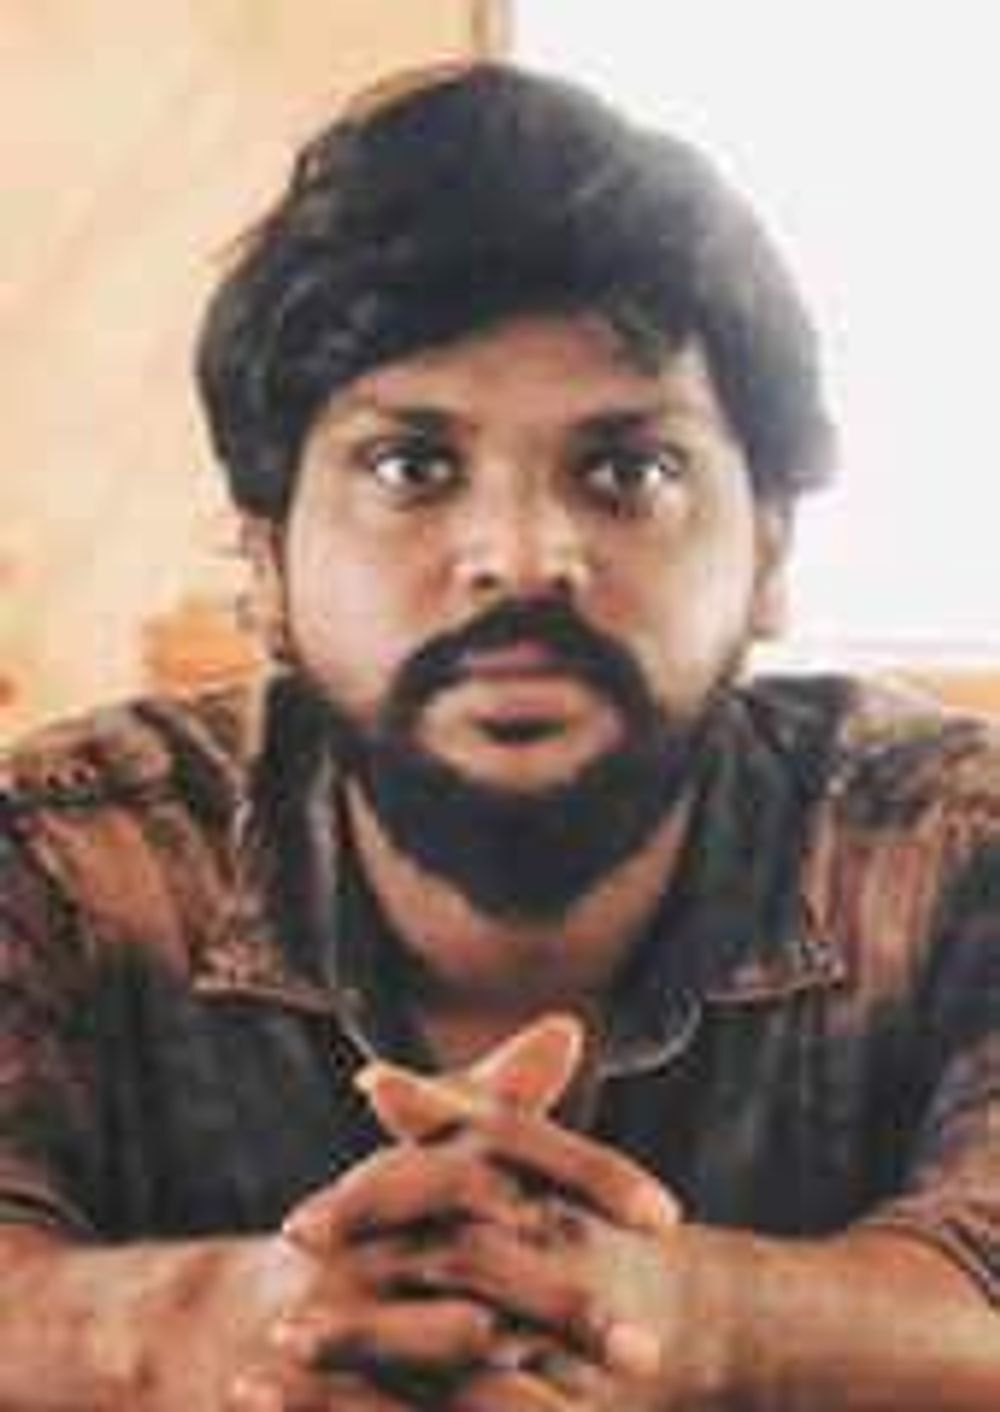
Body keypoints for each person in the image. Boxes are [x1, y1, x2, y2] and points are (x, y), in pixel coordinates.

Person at [0, 60, 997, 1411]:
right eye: (412, 467)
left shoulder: (953, 850)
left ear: (768, 551)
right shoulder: (64, 859)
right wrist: (229, 1324)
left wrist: (668, 1318)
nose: (523, 558)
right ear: (266, 561)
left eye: (628, 469)